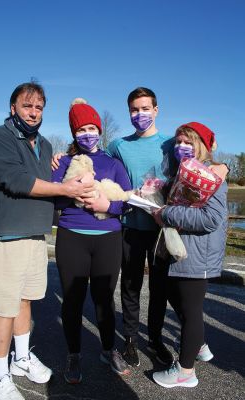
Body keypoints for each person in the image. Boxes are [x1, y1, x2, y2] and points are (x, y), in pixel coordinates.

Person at [0, 82, 94, 400]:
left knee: (25, 301)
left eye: (39, 107)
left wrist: (62, 163)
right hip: (5, 237)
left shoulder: (43, 144)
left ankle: (21, 359)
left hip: (34, 236)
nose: (33, 112)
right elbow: (16, 181)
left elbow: (50, 177)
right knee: (3, 309)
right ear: (12, 107)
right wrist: (66, 189)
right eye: (27, 105)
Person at [106, 87, 229, 368]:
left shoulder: (171, 143)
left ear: (156, 110)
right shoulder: (118, 145)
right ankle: (130, 341)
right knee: (130, 286)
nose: (140, 115)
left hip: (165, 230)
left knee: (160, 289)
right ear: (129, 113)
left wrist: (224, 168)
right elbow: (99, 163)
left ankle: (155, 339)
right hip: (131, 226)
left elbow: (200, 158)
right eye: (135, 110)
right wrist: (65, 156)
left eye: (145, 109)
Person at [52, 98, 131, 384]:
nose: (87, 133)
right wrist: (74, 191)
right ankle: (74, 354)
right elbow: (55, 195)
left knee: (104, 299)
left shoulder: (113, 164)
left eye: (91, 128)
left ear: (99, 130)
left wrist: (106, 206)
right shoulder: (63, 162)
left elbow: (128, 201)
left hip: (108, 238)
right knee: (72, 299)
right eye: (81, 130)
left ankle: (108, 350)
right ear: (74, 134)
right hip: (72, 236)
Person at [152, 122, 228, 388]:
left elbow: (211, 219)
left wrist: (167, 214)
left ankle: (185, 372)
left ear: (203, 147)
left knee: (191, 310)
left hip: (198, 256)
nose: (181, 147)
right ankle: (199, 346)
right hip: (182, 254)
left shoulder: (211, 176)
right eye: (178, 142)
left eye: (189, 142)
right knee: (181, 303)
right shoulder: (181, 174)